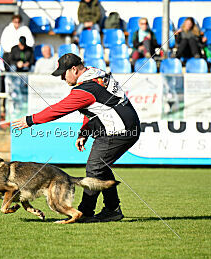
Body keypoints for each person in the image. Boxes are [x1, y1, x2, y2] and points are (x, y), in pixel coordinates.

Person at [12, 53, 141, 223]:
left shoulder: (86, 89)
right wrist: (84, 132)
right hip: (124, 127)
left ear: (74, 69)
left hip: (119, 131)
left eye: (63, 74)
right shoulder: (97, 75)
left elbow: (59, 109)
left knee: (94, 168)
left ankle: (86, 212)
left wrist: (31, 120)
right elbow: (96, 108)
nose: (62, 79)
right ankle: (112, 209)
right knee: (100, 166)